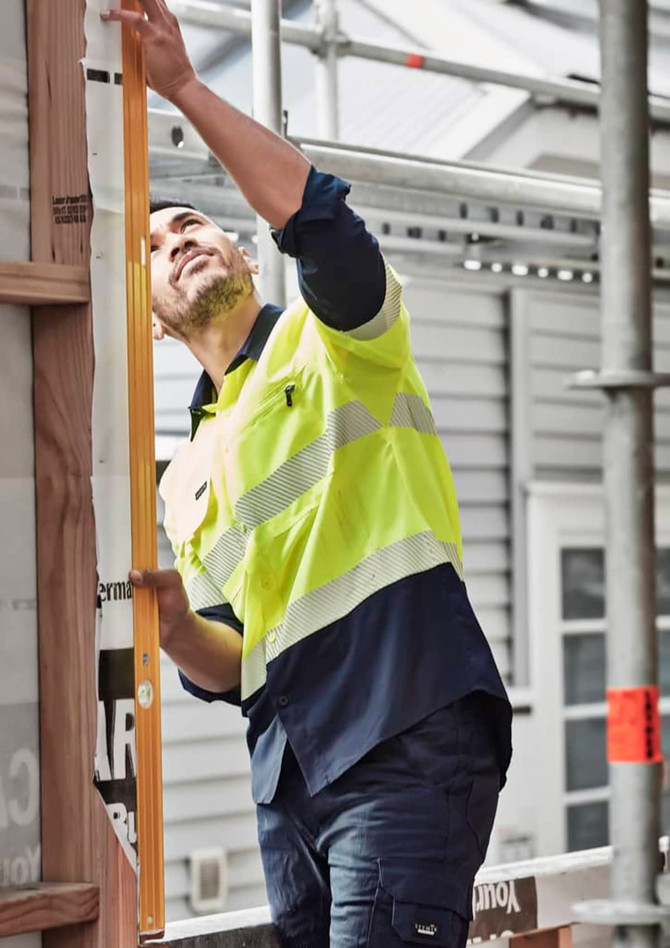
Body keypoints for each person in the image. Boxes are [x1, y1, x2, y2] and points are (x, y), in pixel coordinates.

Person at [103, 3, 513, 946]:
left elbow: (320, 219)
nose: (180, 242)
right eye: (155, 249)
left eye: (194, 223)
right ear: (154, 319)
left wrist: (183, 86)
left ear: (246, 248)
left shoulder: (337, 341)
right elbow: (236, 664)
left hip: (405, 729)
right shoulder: (185, 473)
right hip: (292, 780)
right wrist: (173, 632)